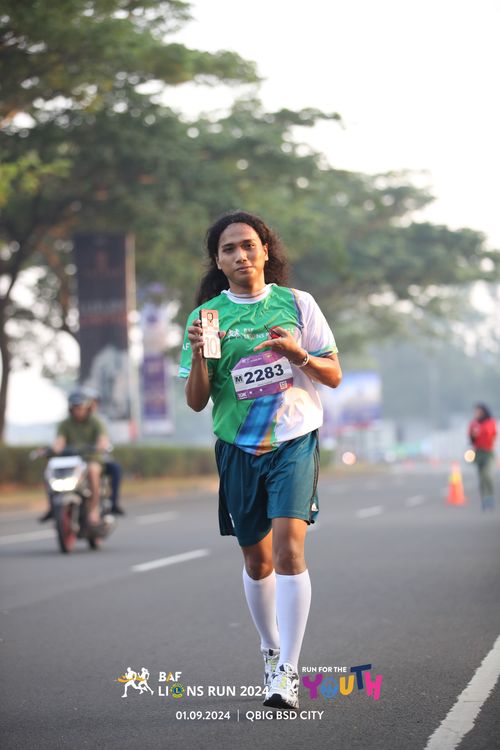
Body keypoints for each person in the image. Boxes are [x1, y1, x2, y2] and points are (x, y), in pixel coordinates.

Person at [179, 210, 342, 710]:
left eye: (249, 245)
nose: (241, 255)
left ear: (266, 251)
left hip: (293, 440)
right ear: (218, 261)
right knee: (258, 559)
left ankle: (289, 669)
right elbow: (197, 401)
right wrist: (201, 357)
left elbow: (334, 375)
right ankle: (271, 648)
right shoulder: (208, 319)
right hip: (238, 447)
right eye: (229, 249)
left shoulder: (297, 304)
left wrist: (297, 354)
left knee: (290, 548)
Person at [39, 390, 110, 528]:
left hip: (90, 459)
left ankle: (94, 509)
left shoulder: (95, 422)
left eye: (80, 407)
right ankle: (53, 508)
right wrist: (53, 449)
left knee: (93, 471)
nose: (78, 411)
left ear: (87, 407)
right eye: (75, 407)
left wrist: (100, 446)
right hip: (71, 460)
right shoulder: (65, 423)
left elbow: (102, 440)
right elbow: (59, 442)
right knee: (49, 472)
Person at [82, 386, 125, 516]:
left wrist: (101, 446)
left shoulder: (101, 421)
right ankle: (54, 508)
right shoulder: (70, 421)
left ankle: (112, 502)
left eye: (93, 402)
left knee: (115, 469)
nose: (91, 405)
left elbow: (105, 440)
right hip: (78, 461)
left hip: (98, 458)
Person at [468, 403, 497, 510]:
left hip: (488, 452)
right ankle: (484, 499)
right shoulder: (473, 423)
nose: (476, 413)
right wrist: (473, 436)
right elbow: (471, 439)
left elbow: (494, 435)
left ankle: (490, 496)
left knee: (486, 475)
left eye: (479, 411)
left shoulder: (490, 422)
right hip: (478, 452)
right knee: (480, 477)